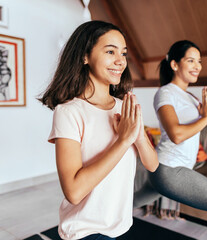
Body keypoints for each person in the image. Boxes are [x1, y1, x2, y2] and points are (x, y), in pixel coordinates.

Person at [39, 20, 158, 240]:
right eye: (110, 51)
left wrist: (137, 135)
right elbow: (74, 192)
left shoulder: (125, 106)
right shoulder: (69, 112)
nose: (120, 61)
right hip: (86, 231)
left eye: (123, 53)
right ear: (85, 56)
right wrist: (122, 140)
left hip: (121, 225)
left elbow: (152, 164)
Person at [134, 40, 207, 240]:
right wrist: (204, 118)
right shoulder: (165, 93)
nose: (197, 66)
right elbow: (176, 135)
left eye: (199, 61)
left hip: (163, 169)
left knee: (129, 203)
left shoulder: (191, 97)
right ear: (175, 65)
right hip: (169, 169)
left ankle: (98, 221)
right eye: (191, 60)